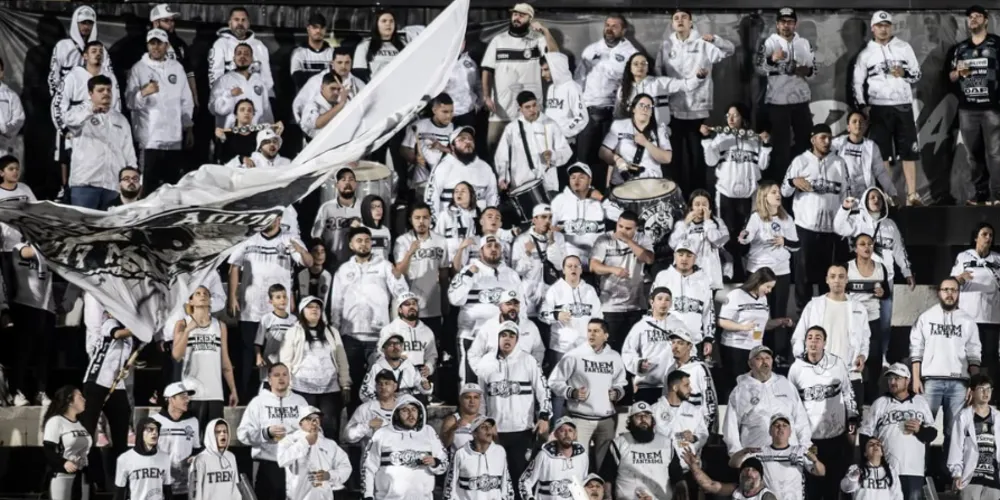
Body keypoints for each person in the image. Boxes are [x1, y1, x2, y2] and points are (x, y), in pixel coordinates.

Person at [228, 215, 311, 401]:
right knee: (248, 356)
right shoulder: (249, 237)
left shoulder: (289, 238)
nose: (268, 222)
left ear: (280, 219)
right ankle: (244, 398)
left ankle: (279, 396)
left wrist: (299, 249)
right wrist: (232, 297)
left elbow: (308, 263)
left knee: (281, 354)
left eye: (273, 218)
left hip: (279, 312)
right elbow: (234, 266)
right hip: (251, 310)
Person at [657, 9, 736, 193]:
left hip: (697, 111)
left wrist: (715, 39)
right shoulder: (667, 45)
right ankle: (676, 196)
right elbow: (659, 72)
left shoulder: (703, 43)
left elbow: (729, 50)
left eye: (684, 17)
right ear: (672, 23)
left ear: (691, 22)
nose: (680, 20)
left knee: (697, 157)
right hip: (673, 111)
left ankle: (699, 197)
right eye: (676, 18)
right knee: (675, 158)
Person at [834, 186, 915, 364]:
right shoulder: (857, 220)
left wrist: (907, 272)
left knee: (884, 323)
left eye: (879, 197)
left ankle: (882, 356)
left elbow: (899, 251)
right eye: (872, 197)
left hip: (886, 279)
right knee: (856, 319)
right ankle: (854, 353)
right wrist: (845, 208)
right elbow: (839, 227)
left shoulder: (890, 226)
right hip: (860, 278)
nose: (876, 200)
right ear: (865, 200)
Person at [329, 226, 408, 404]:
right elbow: (336, 304)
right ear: (351, 244)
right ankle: (353, 425)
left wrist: (397, 276)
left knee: (380, 385)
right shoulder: (343, 270)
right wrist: (335, 333)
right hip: (350, 336)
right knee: (353, 385)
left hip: (379, 337)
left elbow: (402, 293)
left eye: (367, 240)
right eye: (359, 241)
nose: (363, 244)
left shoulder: (384, 266)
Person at [852, 11, 922, 206]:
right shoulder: (866, 53)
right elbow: (857, 82)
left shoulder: (904, 47)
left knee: (909, 151)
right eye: (880, 26)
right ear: (873, 28)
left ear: (891, 27)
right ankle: (888, 195)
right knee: (883, 154)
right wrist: (863, 106)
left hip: (903, 105)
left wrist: (904, 72)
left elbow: (917, 74)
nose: (884, 29)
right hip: (879, 107)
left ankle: (912, 195)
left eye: (887, 25)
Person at [911, 276, 983, 462]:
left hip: (959, 382)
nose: (950, 294)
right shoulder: (926, 317)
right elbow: (916, 349)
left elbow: (974, 354)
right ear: (939, 292)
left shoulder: (968, 321)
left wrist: (973, 386)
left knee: (955, 432)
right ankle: (921, 469)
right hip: (931, 381)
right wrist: (916, 378)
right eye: (946, 290)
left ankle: (950, 473)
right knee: (923, 428)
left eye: (954, 290)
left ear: (958, 294)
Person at [476, 322, 551, 493]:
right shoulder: (486, 362)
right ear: (498, 338)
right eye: (503, 335)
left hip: (522, 430)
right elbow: (480, 396)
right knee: (494, 478)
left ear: (517, 339)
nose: (507, 339)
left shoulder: (528, 360)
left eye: (511, 336)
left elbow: (543, 389)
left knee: (520, 478)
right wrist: (484, 423)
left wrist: (544, 416)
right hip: (495, 432)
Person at [782, 123, 849, 312]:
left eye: (829, 138)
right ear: (813, 140)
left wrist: (844, 223)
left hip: (831, 231)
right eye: (822, 137)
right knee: (803, 279)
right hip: (805, 230)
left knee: (827, 278)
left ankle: (823, 318)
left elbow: (845, 195)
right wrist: (793, 182)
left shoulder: (839, 163)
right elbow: (784, 192)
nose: (827, 141)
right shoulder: (800, 161)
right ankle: (803, 319)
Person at [788, 327, 858, 500]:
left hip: (836, 436)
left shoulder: (837, 364)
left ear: (824, 343)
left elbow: (849, 395)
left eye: (818, 338)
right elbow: (790, 405)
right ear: (805, 342)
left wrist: (852, 423)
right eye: (810, 337)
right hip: (810, 440)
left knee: (833, 487)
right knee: (812, 489)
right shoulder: (796, 368)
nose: (813, 341)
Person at [549, 317, 626, 470]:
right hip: (580, 419)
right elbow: (554, 381)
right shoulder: (574, 355)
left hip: (606, 420)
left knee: (603, 465)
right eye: (589, 331)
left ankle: (601, 493)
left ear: (606, 335)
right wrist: (571, 392)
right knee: (577, 462)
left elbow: (621, 383)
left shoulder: (615, 357)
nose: (591, 334)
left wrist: (617, 393)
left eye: (596, 331)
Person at [701, 103, 772, 268]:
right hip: (726, 193)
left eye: (735, 115)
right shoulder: (721, 138)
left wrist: (767, 145)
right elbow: (710, 161)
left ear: (743, 117)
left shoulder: (754, 139)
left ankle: (746, 265)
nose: (730, 119)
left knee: (747, 231)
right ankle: (729, 265)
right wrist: (706, 140)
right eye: (728, 115)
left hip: (749, 194)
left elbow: (762, 166)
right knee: (726, 231)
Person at [481, 3, 558, 150]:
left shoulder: (538, 39)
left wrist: (545, 31)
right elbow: (487, 69)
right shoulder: (498, 40)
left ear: (530, 19)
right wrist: (486, 96)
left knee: (530, 153)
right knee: (495, 150)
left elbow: (555, 55)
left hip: (530, 112)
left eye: (522, 15)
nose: (517, 17)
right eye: (515, 14)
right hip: (501, 111)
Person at [126, 28, 194, 194]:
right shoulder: (138, 68)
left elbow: (186, 100)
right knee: (148, 188)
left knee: (172, 189)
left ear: (166, 45)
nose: (156, 47)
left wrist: (188, 127)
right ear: (148, 45)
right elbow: (130, 102)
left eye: (160, 43)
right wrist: (144, 92)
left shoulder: (177, 68)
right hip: (150, 141)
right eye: (152, 43)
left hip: (174, 139)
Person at [449, 235, 522, 383]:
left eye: (497, 246)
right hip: (472, 336)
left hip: (501, 337)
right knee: (470, 383)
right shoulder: (468, 270)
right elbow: (455, 299)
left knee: (497, 382)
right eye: (489, 246)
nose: (493, 249)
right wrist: (469, 276)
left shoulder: (511, 275)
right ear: (481, 251)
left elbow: (522, 308)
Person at [755, 7, 816, 182]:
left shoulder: (804, 43)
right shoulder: (769, 42)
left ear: (795, 24)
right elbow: (758, 68)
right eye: (783, 22)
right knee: (780, 148)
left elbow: (815, 71)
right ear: (777, 24)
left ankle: (803, 180)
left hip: (801, 101)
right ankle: (780, 185)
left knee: (805, 144)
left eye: (790, 22)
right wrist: (771, 60)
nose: (786, 25)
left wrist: (804, 70)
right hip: (778, 102)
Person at [791, 264, 871, 396]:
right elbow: (798, 337)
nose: (837, 280)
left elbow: (865, 338)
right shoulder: (814, 306)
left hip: (850, 374)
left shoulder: (858, 308)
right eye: (833, 276)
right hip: (818, 375)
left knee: (853, 416)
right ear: (827, 280)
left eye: (841, 277)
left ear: (847, 280)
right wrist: (806, 362)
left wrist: (862, 356)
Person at [859, 363, 937, 500]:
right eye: (890, 379)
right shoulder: (880, 403)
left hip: (914, 469)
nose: (892, 382)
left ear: (907, 380)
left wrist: (920, 430)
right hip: (886, 469)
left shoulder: (920, 402)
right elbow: (865, 434)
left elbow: (932, 433)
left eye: (897, 378)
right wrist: (869, 464)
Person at [947, 5, 1000, 205]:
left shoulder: (996, 44)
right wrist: (958, 72)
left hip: (992, 108)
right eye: (970, 17)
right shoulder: (960, 49)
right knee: (973, 156)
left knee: (995, 154)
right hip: (968, 109)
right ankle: (980, 195)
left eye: (978, 16)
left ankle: (998, 196)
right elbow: (950, 77)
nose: (974, 19)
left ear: (986, 20)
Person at [574, 15, 635, 183]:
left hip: (612, 114)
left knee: (605, 160)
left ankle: (601, 198)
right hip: (588, 112)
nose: (609, 28)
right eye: (607, 25)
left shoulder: (630, 53)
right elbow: (579, 78)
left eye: (614, 26)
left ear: (623, 31)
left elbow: (629, 82)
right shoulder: (591, 50)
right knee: (583, 160)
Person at [280, 296, 351, 438]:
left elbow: (341, 359)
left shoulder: (332, 332)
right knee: (305, 430)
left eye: (317, 307)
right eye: (310, 306)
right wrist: (286, 387)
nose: (314, 309)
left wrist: (345, 384)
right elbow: (285, 362)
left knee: (329, 428)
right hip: (302, 389)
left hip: (329, 390)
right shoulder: (294, 332)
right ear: (302, 311)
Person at [52, 40, 119, 190]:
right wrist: (64, 129)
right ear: (85, 56)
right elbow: (58, 104)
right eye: (94, 51)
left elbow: (116, 104)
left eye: (101, 52)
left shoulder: (110, 77)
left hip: (102, 127)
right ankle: (67, 191)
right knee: (72, 163)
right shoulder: (72, 76)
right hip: (77, 127)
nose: (98, 55)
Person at [237, 363, 309, 500]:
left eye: (284, 374)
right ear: (269, 380)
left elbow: (313, 430)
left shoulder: (301, 402)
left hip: (295, 466)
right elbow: (242, 434)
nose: (281, 378)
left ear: (289, 378)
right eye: (276, 375)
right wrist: (266, 433)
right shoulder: (258, 402)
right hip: (268, 465)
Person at [724, 345, 812, 456]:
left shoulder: (786, 385)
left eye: (767, 358)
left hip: (789, 455)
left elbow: (801, 419)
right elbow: (730, 428)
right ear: (750, 364)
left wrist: (804, 447)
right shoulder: (740, 391)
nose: (764, 362)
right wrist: (737, 455)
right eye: (759, 359)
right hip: (756, 457)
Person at [81, 311, 135, 488]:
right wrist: (141, 330)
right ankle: (90, 479)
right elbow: (118, 334)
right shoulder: (109, 323)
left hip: (116, 385)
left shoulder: (130, 334)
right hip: (96, 383)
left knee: (121, 434)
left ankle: (119, 482)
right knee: (87, 433)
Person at [65, 75, 136, 210]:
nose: (106, 93)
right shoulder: (79, 112)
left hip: (113, 185)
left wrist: (133, 175)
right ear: (90, 93)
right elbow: (70, 121)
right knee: (85, 229)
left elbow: (129, 151)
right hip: (85, 184)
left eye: (109, 90)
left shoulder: (120, 119)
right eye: (101, 90)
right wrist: (90, 111)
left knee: (111, 229)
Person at [172, 286, 239, 426]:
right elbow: (176, 355)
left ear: (210, 300)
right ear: (190, 300)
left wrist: (233, 389)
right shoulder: (182, 324)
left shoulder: (220, 326)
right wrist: (188, 331)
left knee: (212, 442)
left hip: (215, 393)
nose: (202, 296)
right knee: (193, 442)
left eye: (205, 294)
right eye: (197, 293)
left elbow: (225, 361)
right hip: (191, 393)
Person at [362, 396, 449, 500]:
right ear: (397, 413)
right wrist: (367, 495)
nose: (411, 414)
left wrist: (435, 463)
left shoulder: (428, 432)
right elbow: (368, 468)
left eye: (414, 410)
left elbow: (444, 463)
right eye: (405, 410)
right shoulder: (381, 434)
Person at [590, 211, 655, 351]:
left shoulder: (642, 239)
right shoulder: (604, 239)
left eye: (628, 228)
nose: (622, 231)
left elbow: (649, 259)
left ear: (636, 229)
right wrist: (612, 269)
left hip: (636, 305)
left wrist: (629, 241)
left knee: (635, 349)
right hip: (611, 306)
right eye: (620, 226)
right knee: (612, 349)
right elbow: (593, 266)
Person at [729, 414, 826, 500]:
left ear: (790, 432)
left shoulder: (800, 451)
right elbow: (733, 464)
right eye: (776, 425)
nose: (780, 428)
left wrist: (815, 461)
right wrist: (744, 451)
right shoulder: (760, 452)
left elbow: (821, 472)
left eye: (784, 425)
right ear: (770, 431)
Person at [719, 268, 792, 379]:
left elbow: (764, 325)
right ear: (758, 282)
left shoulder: (763, 299)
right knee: (736, 384)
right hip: (735, 347)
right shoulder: (736, 295)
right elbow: (722, 321)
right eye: (767, 287)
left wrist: (780, 322)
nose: (769, 291)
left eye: (771, 288)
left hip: (755, 349)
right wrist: (742, 327)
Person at [952, 223, 1000, 393]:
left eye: (991, 235)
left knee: (991, 356)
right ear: (976, 237)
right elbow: (952, 282)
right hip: (969, 317)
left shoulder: (997, 259)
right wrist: (960, 279)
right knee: (969, 356)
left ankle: (991, 393)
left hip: (991, 317)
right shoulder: (963, 257)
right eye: (984, 234)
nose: (988, 238)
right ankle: (967, 390)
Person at [621, 287, 691, 403]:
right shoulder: (641, 326)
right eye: (660, 299)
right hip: (647, 385)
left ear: (671, 303)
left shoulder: (679, 325)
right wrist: (638, 364)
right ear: (652, 302)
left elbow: (690, 350)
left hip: (672, 386)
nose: (663, 302)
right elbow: (628, 352)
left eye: (667, 299)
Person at [495, 90, 573, 194]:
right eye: (527, 107)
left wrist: (553, 155)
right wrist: (503, 177)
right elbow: (502, 156)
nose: (532, 110)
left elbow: (566, 151)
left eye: (534, 105)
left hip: (548, 184)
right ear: (520, 109)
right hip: (522, 185)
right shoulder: (512, 129)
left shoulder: (550, 124)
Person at [393, 202, 449, 344]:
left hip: (433, 306)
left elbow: (443, 274)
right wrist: (410, 253)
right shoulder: (402, 241)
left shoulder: (440, 241)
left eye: (425, 217)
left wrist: (444, 301)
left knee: (432, 350)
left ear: (430, 219)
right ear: (411, 220)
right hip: (409, 305)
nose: (421, 221)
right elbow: (399, 272)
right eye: (417, 218)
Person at [846, 234, 893, 400]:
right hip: (851, 319)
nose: (867, 247)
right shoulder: (847, 267)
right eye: (862, 244)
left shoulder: (881, 268)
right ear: (855, 248)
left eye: (870, 244)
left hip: (873, 318)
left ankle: (871, 395)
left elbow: (887, 293)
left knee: (874, 358)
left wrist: (883, 293)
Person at [540, 255, 603, 377]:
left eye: (576, 266)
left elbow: (598, 317)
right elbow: (542, 315)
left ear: (581, 270)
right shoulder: (554, 290)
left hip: (586, 347)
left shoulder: (590, 290)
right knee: (560, 387)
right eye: (569, 266)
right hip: (561, 348)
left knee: (585, 386)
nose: (573, 269)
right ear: (563, 270)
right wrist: (556, 315)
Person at [599, 401, 675, 500]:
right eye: (638, 416)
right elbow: (607, 475)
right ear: (631, 421)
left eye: (647, 416)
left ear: (652, 420)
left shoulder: (666, 443)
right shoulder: (619, 443)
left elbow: (676, 474)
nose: (643, 419)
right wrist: (608, 496)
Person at [652, 243, 716, 355]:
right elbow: (652, 308)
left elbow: (708, 311)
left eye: (689, 255)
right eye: (680, 254)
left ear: (695, 257)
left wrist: (708, 338)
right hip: (666, 341)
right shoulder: (663, 277)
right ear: (674, 255)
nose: (684, 259)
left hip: (693, 342)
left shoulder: (704, 280)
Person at [424, 126, 500, 222]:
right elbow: (431, 198)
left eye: (470, 139)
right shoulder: (442, 167)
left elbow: (492, 195)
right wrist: (437, 225)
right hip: (450, 225)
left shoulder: (485, 167)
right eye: (461, 139)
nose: (467, 142)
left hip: (479, 224)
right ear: (452, 146)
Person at [277, 406, 352, 500]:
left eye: (317, 419)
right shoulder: (289, 440)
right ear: (300, 423)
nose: (314, 422)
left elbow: (345, 466)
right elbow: (282, 460)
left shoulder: (330, 444)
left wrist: (329, 475)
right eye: (309, 419)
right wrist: (305, 442)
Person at [600, 93, 673, 187]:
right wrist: (617, 160)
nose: (645, 109)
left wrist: (646, 143)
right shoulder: (619, 126)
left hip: (650, 184)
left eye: (649, 106)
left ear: (652, 112)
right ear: (633, 109)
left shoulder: (659, 130)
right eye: (641, 105)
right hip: (622, 183)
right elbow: (603, 151)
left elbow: (667, 158)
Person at [512, 204, 567, 323]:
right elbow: (517, 270)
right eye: (543, 217)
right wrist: (527, 253)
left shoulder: (558, 238)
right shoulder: (522, 240)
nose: (547, 221)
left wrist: (552, 243)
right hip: (529, 293)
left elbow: (560, 266)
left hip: (552, 290)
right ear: (534, 219)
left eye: (550, 217)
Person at [948, 374, 1000, 498]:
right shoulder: (963, 416)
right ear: (971, 391)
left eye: (989, 389)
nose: (986, 392)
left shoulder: (998, 417)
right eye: (981, 388)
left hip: (994, 481)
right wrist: (957, 474)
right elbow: (956, 447)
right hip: (971, 479)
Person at [467, 289, 546, 370]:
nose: (512, 307)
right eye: (508, 304)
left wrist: (533, 370)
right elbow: (474, 354)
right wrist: (483, 373)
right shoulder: (488, 326)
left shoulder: (530, 326)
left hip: (522, 376)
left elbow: (538, 351)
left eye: (516, 304)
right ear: (500, 306)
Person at [292, 47, 366, 129]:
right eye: (339, 62)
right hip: (319, 132)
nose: (343, 66)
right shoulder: (316, 81)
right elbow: (298, 105)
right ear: (332, 63)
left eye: (347, 62)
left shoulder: (359, 84)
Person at [670, 189, 730, 289]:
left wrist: (708, 222)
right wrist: (685, 224)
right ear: (691, 207)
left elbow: (718, 242)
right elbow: (673, 244)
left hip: (709, 273)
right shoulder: (681, 224)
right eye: (697, 204)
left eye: (704, 204)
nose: (701, 208)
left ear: (710, 206)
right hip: (687, 272)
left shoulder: (717, 222)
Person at [831, 111, 897, 201]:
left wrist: (892, 193)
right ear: (848, 127)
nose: (858, 124)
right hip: (842, 194)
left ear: (865, 127)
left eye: (861, 122)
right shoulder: (837, 144)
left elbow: (881, 172)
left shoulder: (871, 146)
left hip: (865, 195)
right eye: (854, 121)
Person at [550, 163, 608, 265]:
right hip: (568, 258)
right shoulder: (560, 201)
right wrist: (552, 230)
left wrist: (602, 199)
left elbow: (620, 216)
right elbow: (547, 226)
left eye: (581, 177)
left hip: (596, 257)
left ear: (589, 180)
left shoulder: (599, 202)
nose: (576, 181)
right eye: (573, 177)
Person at [48, 6, 112, 98]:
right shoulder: (63, 46)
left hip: (93, 97)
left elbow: (108, 73)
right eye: (82, 23)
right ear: (75, 23)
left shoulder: (100, 49)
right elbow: (54, 73)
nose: (86, 26)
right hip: (69, 96)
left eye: (89, 23)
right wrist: (58, 96)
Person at [445, 415, 514, 500]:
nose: (488, 430)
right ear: (474, 434)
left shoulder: (500, 452)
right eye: (483, 427)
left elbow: (507, 484)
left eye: (490, 426)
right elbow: (449, 487)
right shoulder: (461, 454)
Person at [519, 417, 589, 500]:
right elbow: (524, 482)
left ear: (574, 435)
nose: (567, 434)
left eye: (570, 430)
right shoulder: (543, 456)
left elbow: (584, 484)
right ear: (555, 434)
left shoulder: (582, 456)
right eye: (562, 431)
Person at [151, 382, 201, 499]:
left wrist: (194, 459)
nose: (187, 400)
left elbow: (196, 450)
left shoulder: (193, 421)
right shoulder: (154, 421)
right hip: (160, 486)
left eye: (188, 396)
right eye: (183, 397)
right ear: (170, 399)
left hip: (185, 487)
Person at [208, 7, 273, 96]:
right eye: (236, 20)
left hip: (256, 96)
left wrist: (261, 96)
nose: (240, 23)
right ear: (230, 23)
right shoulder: (220, 44)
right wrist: (225, 96)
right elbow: (215, 77)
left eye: (243, 20)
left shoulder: (259, 46)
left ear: (248, 23)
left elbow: (267, 78)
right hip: (231, 97)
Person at [400, 94, 455, 197]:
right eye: (445, 112)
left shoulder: (455, 129)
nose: (449, 116)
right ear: (434, 110)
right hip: (421, 183)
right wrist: (414, 158)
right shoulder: (418, 126)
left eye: (451, 111)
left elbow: (459, 155)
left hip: (444, 183)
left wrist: (442, 148)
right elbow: (404, 149)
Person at [663, 328, 718, 429]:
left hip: (695, 428)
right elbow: (665, 399)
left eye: (680, 343)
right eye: (673, 342)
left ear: (689, 346)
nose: (675, 347)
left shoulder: (699, 368)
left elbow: (709, 401)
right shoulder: (670, 369)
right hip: (674, 428)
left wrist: (707, 430)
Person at [42, 386, 92, 500]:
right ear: (69, 401)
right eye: (80, 397)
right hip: (63, 475)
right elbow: (48, 450)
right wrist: (63, 463)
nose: (84, 400)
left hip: (82, 475)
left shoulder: (81, 423)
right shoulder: (56, 421)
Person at [209, 43, 274, 128]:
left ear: (252, 59)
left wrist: (271, 130)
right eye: (239, 53)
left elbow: (266, 110)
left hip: (255, 133)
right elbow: (213, 109)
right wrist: (228, 94)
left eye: (246, 54)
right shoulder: (223, 80)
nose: (242, 56)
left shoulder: (259, 82)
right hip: (232, 134)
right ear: (234, 59)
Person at [377, 292, 438, 380]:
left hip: (420, 380)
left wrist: (429, 367)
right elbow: (380, 355)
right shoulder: (389, 330)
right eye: (407, 304)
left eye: (414, 304)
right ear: (400, 310)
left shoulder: (427, 331)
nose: (411, 307)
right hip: (396, 380)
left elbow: (432, 355)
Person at [652, 369, 710, 460]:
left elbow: (703, 434)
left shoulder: (693, 410)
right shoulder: (654, 410)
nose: (690, 389)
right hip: (661, 464)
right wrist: (679, 436)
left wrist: (694, 438)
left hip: (687, 465)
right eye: (686, 385)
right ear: (675, 388)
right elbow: (654, 435)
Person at [351, 10, 421, 82]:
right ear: (376, 24)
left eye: (391, 21)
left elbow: (411, 67)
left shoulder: (403, 44)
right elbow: (359, 72)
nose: (388, 24)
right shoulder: (365, 45)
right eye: (384, 21)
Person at [361, 332, 433, 402]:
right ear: (383, 349)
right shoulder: (376, 368)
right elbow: (364, 393)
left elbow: (423, 388)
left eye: (398, 344)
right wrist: (382, 402)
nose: (395, 347)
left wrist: (426, 387)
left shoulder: (409, 366)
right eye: (391, 345)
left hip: (407, 406)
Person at [149, 4, 197, 107]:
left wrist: (194, 96)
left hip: (178, 100)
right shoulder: (144, 45)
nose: (171, 24)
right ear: (156, 23)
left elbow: (189, 72)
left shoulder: (179, 43)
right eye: (166, 21)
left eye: (172, 20)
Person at [114, 417, 173, 500]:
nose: (155, 433)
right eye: (150, 429)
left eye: (157, 430)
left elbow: (168, 490)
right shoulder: (124, 459)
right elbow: (119, 492)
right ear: (141, 432)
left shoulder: (165, 458)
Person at [313, 167, 362, 265]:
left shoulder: (363, 207)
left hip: (356, 263)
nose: (347, 183)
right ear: (336, 185)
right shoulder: (326, 207)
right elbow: (316, 237)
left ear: (356, 184)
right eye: (343, 180)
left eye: (351, 179)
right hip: (331, 262)